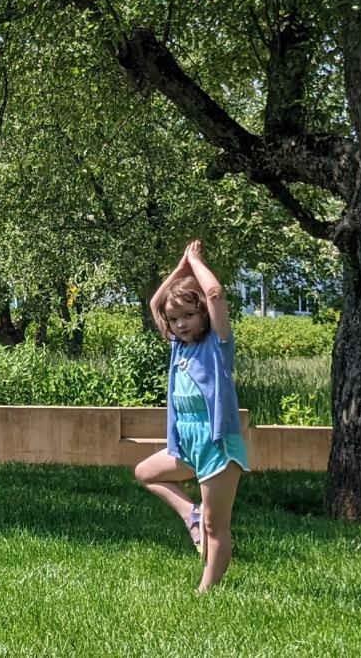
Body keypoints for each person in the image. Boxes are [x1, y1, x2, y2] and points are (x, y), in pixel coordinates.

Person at [134, 239, 249, 592]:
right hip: (187, 443)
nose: (181, 324)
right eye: (175, 319)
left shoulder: (218, 345)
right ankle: (190, 514)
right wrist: (180, 268)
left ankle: (206, 591)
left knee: (217, 528)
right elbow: (156, 302)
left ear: (202, 314)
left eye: (188, 315)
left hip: (217, 445)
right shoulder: (177, 346)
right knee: (146, 473)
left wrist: (195, 261)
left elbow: (214, 293)